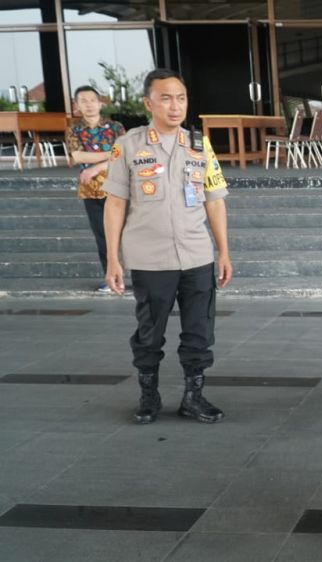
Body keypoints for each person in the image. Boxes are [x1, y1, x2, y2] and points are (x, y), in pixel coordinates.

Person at [103, 68, 232, 425]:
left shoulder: (199, 144)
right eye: (165, 98)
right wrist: (113, 259)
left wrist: (223, 251)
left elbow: (215, 200)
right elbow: (115, 204)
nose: (175, 106)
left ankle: (194, 397)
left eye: (181, 98)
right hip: (149, 258)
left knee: (199, 332)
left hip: (196, 255)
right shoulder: (127, 145)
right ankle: (149, 396)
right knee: (149, 333)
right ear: (149, 102)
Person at [64, 85, 127, 293]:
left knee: (128, 234)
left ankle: (138, 276)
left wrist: (97, 167)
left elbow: (125, 153)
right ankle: (112, 278)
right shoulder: (74, 130)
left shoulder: (116, 127)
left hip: (118, 189)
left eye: (92, 100)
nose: (89, 105)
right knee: (103, 237)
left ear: (100, 103)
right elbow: (78, 157)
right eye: (83, 101)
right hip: (91, 190)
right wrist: (111, 155)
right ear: (77, 105)